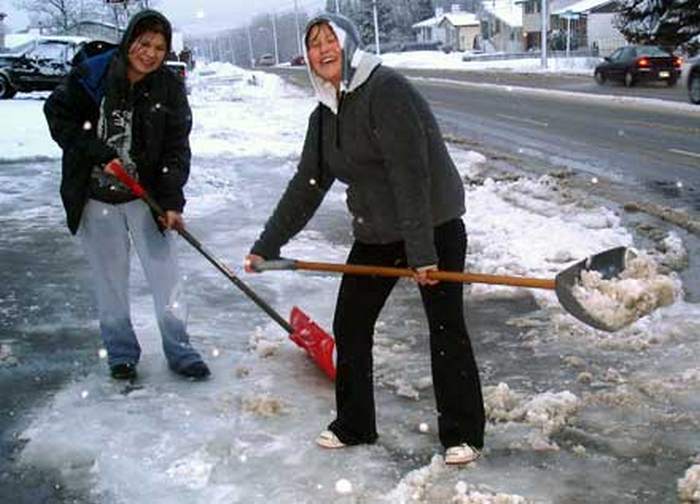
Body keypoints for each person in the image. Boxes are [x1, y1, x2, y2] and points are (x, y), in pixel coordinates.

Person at [245, 13, 485, 464]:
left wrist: (422, 254)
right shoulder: (325, 113)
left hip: (430, 224)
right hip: (378, 230)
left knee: (445, 326)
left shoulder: (385, 90)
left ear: (348, 43)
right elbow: (308, 184)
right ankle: (355, 424)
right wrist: (268, 244)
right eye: (313, 43)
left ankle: (462, 433)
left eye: (328, 38)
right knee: (351, 323)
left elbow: (411, 175)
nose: (322, 49)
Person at [44, 10, 210, 381]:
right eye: (144, 43)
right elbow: (58, 115)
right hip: (95, 197)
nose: (149, 53)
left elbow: (175, 148)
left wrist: (170, 202)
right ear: (130, 39)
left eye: (159, 47)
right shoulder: (94, 74)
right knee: (110, 280)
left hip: (144, 196)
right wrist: (99, 154)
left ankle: (180, 351)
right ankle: (121, 354)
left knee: (165, 277)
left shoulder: (167, 87)